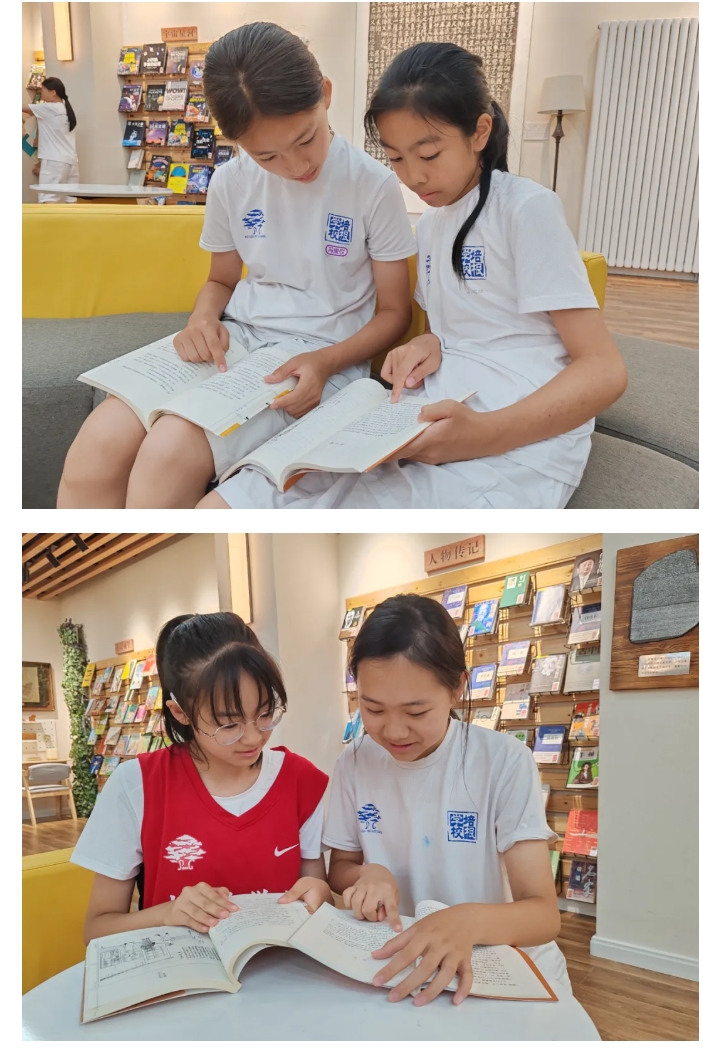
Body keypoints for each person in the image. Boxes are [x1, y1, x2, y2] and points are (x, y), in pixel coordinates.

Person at [203, 41, 627, 510]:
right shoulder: (431, 224)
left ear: (480, 132)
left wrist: (483, 434)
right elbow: (460, 328)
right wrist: (427, 343)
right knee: (234, 499)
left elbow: (604, 371)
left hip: (513, 444)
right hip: (426, 418)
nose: (413, 178)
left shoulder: (526, 209)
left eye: (429, 155)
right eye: (397, 159)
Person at [57, 22, 415, 509]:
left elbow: (394, 313)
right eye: (267, 155)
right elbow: (221, 279)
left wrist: (327, 362)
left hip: (322, 356)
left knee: (167, 454)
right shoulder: (230, 182)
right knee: (96, 446)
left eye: (305, 139)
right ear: (237, 143)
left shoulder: (371, 185)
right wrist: (201, 319)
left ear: (325, 94)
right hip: (239, 340)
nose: (295, 165)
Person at [322, 594, 568, 1007]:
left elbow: (543, 915)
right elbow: (340, 870)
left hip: (494, 963)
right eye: (373, 709)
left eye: (416, 712)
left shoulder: (502, 761)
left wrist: (466, 920)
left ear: (457, 688)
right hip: (404, 960)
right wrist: (369, 874)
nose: (393, 731)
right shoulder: (356, 760)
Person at [71, 612, 332, 942]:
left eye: (265, 713)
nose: (254, 737)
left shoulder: (300, 781)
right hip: (176, 969)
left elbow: (315, 891)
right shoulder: (137, 785)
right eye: (229, 724)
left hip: (280, 967)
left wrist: (321, 894)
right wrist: (168, 913)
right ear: (180, 712)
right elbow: (96, 930)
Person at [22, 77, 78, 202]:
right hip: (71, 161)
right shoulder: (64, 108)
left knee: (48, 199)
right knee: (69, 201)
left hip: (54, 162)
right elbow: (29, 114)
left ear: (53, 92)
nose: (41, 93)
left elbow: (23, 108)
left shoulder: (49, 108)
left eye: (43, 90)